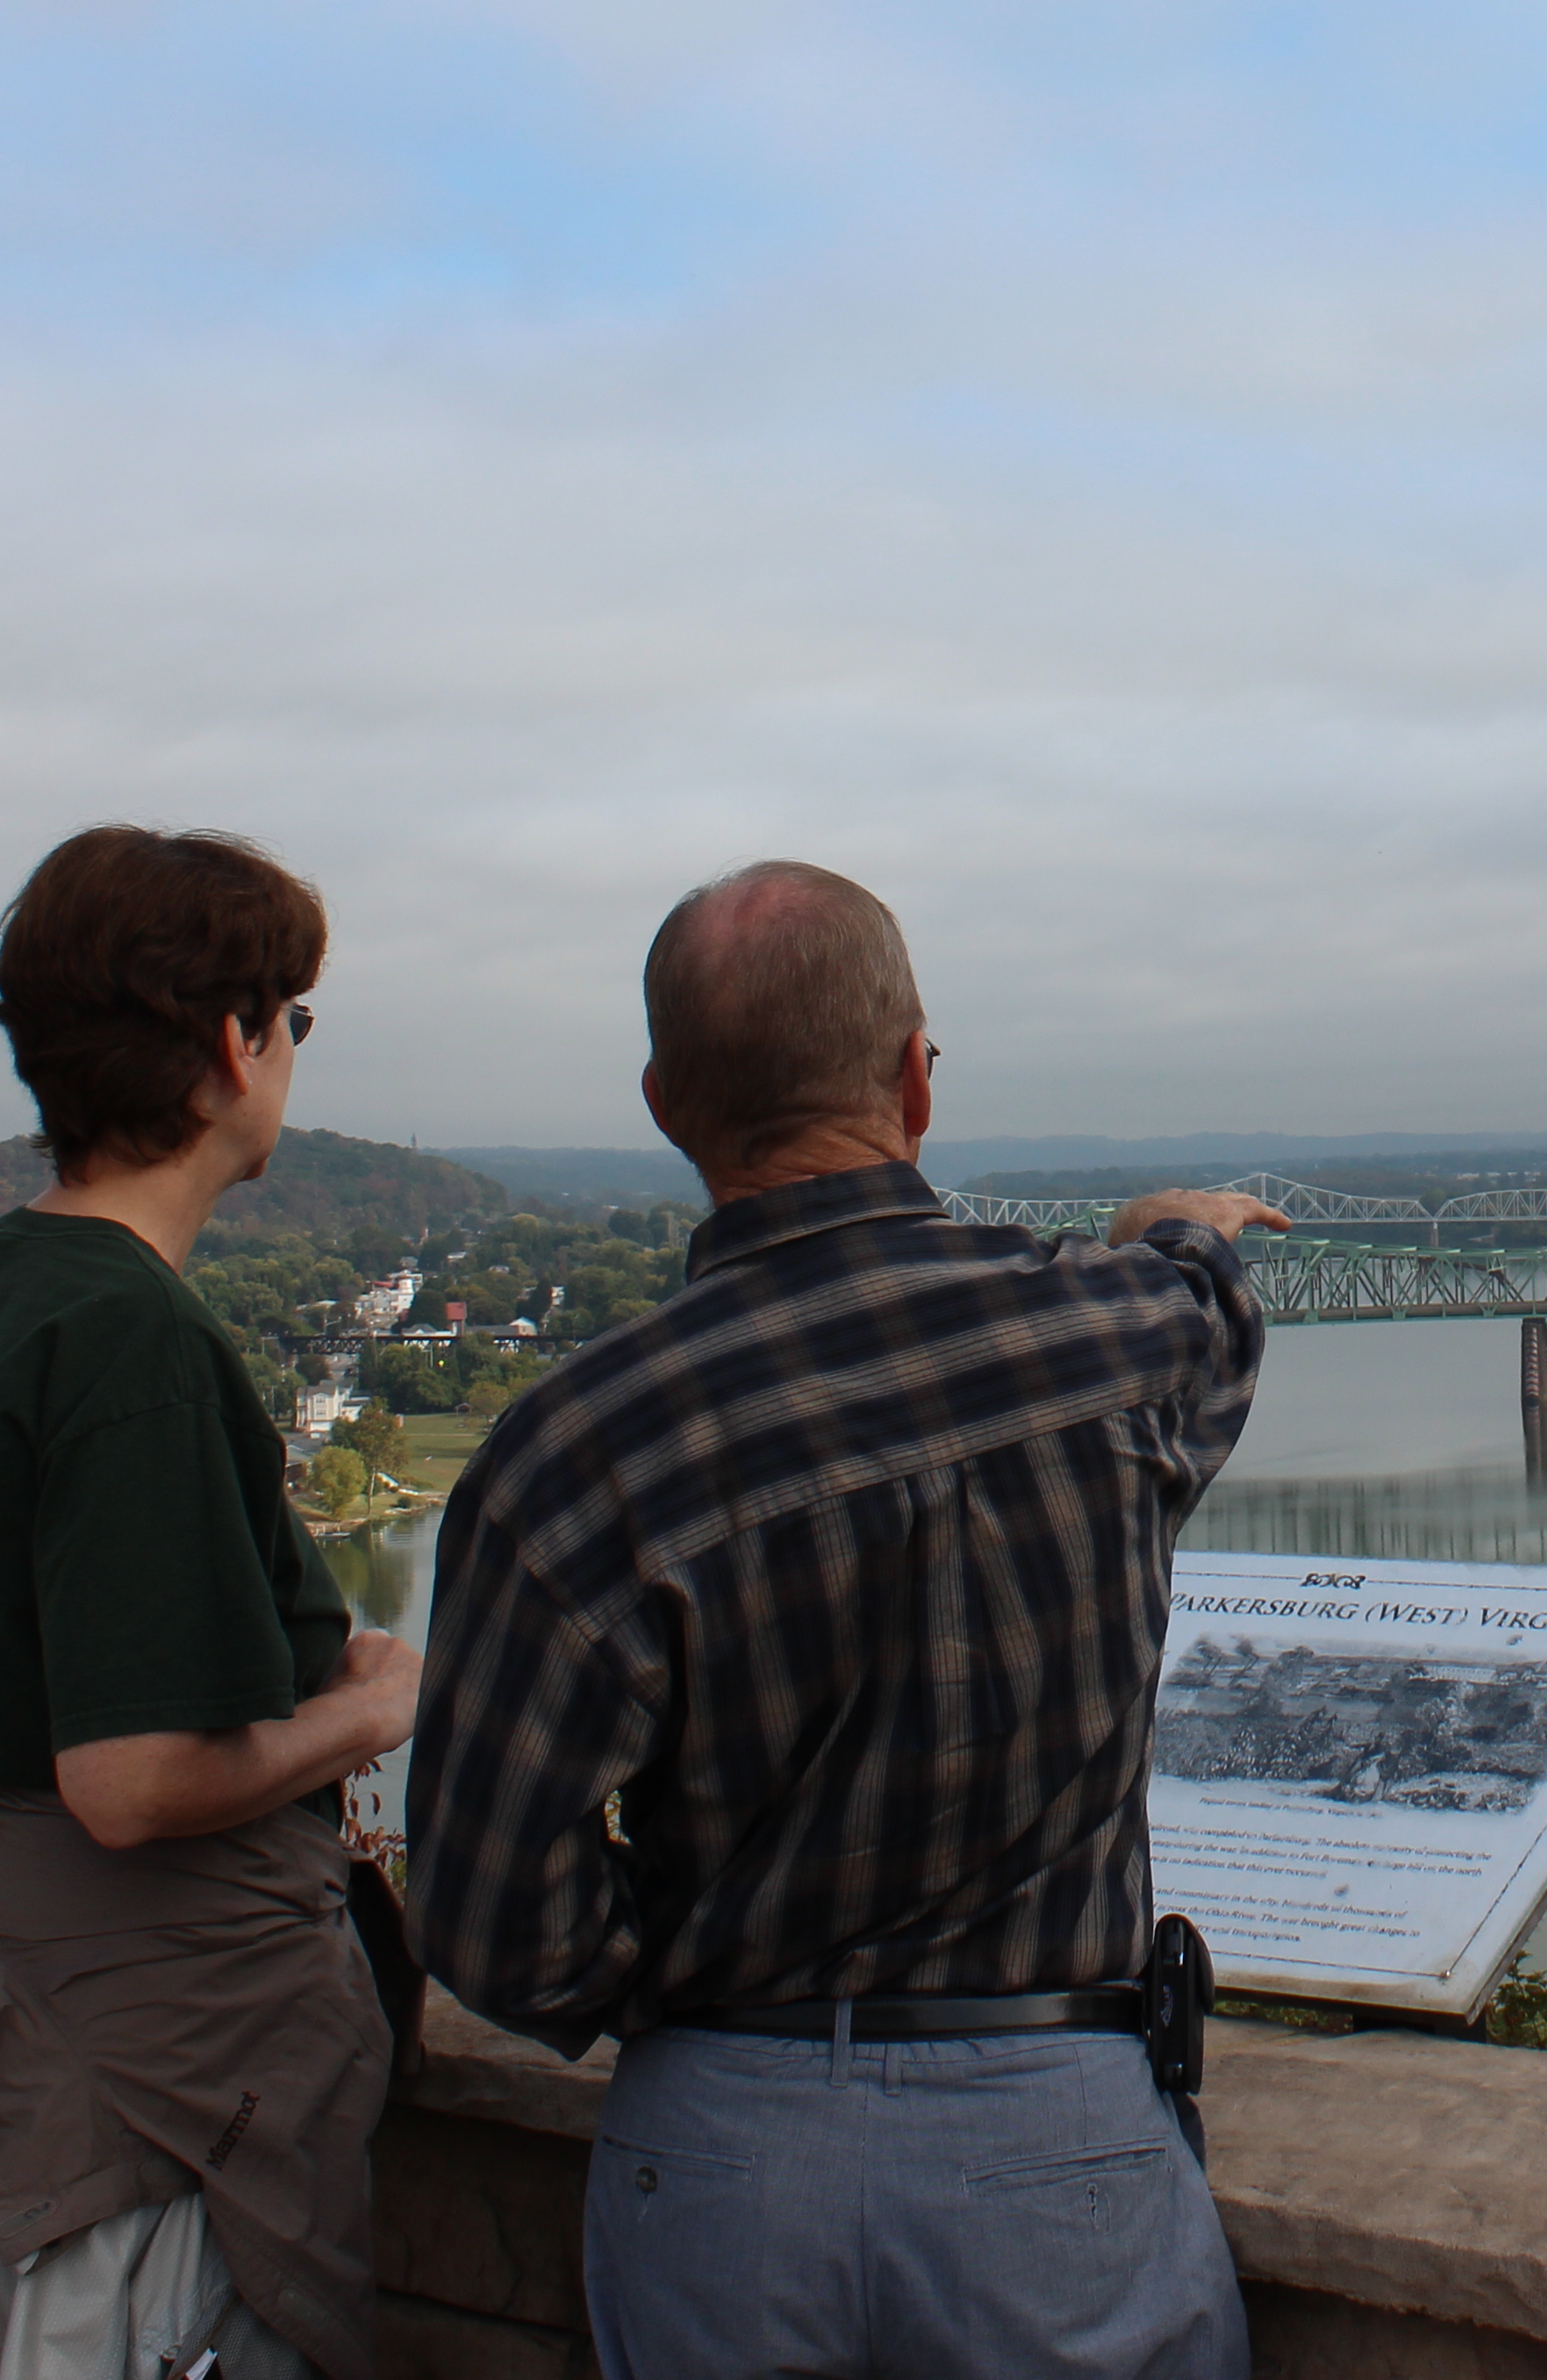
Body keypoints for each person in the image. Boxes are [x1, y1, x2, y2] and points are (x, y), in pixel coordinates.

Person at [408, 861, 1284, 2380]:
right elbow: (1208, 1310)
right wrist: (1175, 1230)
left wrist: (690, 1982)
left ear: (667, 1104)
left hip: (720, 2171)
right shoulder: (1122, 1346)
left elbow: (492, 1926)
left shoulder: (568, 1461)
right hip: (1059, 2142)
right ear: (914, 1082)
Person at [0, 827, 423, 2380]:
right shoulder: (129, 1344)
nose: (291, 1056)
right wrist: (364, 1714)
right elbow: (129, 1784)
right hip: (118, 2095)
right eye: (290, 1020)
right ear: (227, 1047)